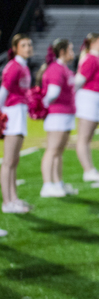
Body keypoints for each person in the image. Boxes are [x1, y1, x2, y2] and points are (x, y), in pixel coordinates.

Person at [39, 38, 79, 198]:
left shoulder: (64, 68)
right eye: (70, 49)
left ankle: (57, 182)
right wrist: (43, 105)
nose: (73, 53)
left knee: (58, 151)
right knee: (52, 150)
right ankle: (47, 185)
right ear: (62, 52)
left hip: (64, 114)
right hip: (57, 115)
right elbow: (52, 93)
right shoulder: (56, 69)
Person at [0, 33, 34, 217]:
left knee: (14, 160)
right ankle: (7, 202)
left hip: (19, 113)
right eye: (24, 45)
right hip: (11, 114)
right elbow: (3, 92)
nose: (28, 47)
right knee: (8, 161)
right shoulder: (13, 66)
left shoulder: (23, 66)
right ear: (15, 48)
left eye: (29, 44)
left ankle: (13, 197)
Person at [75, 32, 99, 183]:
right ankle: (88, 170)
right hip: (88, 101)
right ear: (94, 42)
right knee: (83, 138)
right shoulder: (90, 58)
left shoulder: (98, 59)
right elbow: (79, 81)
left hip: (95, 103)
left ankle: (90, 169)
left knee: (87, 138)